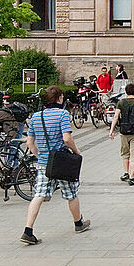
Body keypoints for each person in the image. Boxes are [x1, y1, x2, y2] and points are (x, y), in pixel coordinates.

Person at [20, 86, 89, 244]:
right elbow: (66, 138)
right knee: (71, 193)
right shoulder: (63, 114)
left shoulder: (36, 117)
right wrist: (76, 151)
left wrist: (39, 155)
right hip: (62, 162)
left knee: (39, 195)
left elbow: (30, 142)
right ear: (59, 98)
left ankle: (28, 230)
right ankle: (78, 223)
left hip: (44, 163)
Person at [108, 82, 134, 185]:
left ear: (126, 92)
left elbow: (116, 116)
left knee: (125, 153)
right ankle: (132, 177)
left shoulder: (121, 102)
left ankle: (126, 172)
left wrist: (112, 130)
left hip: (123, 131)